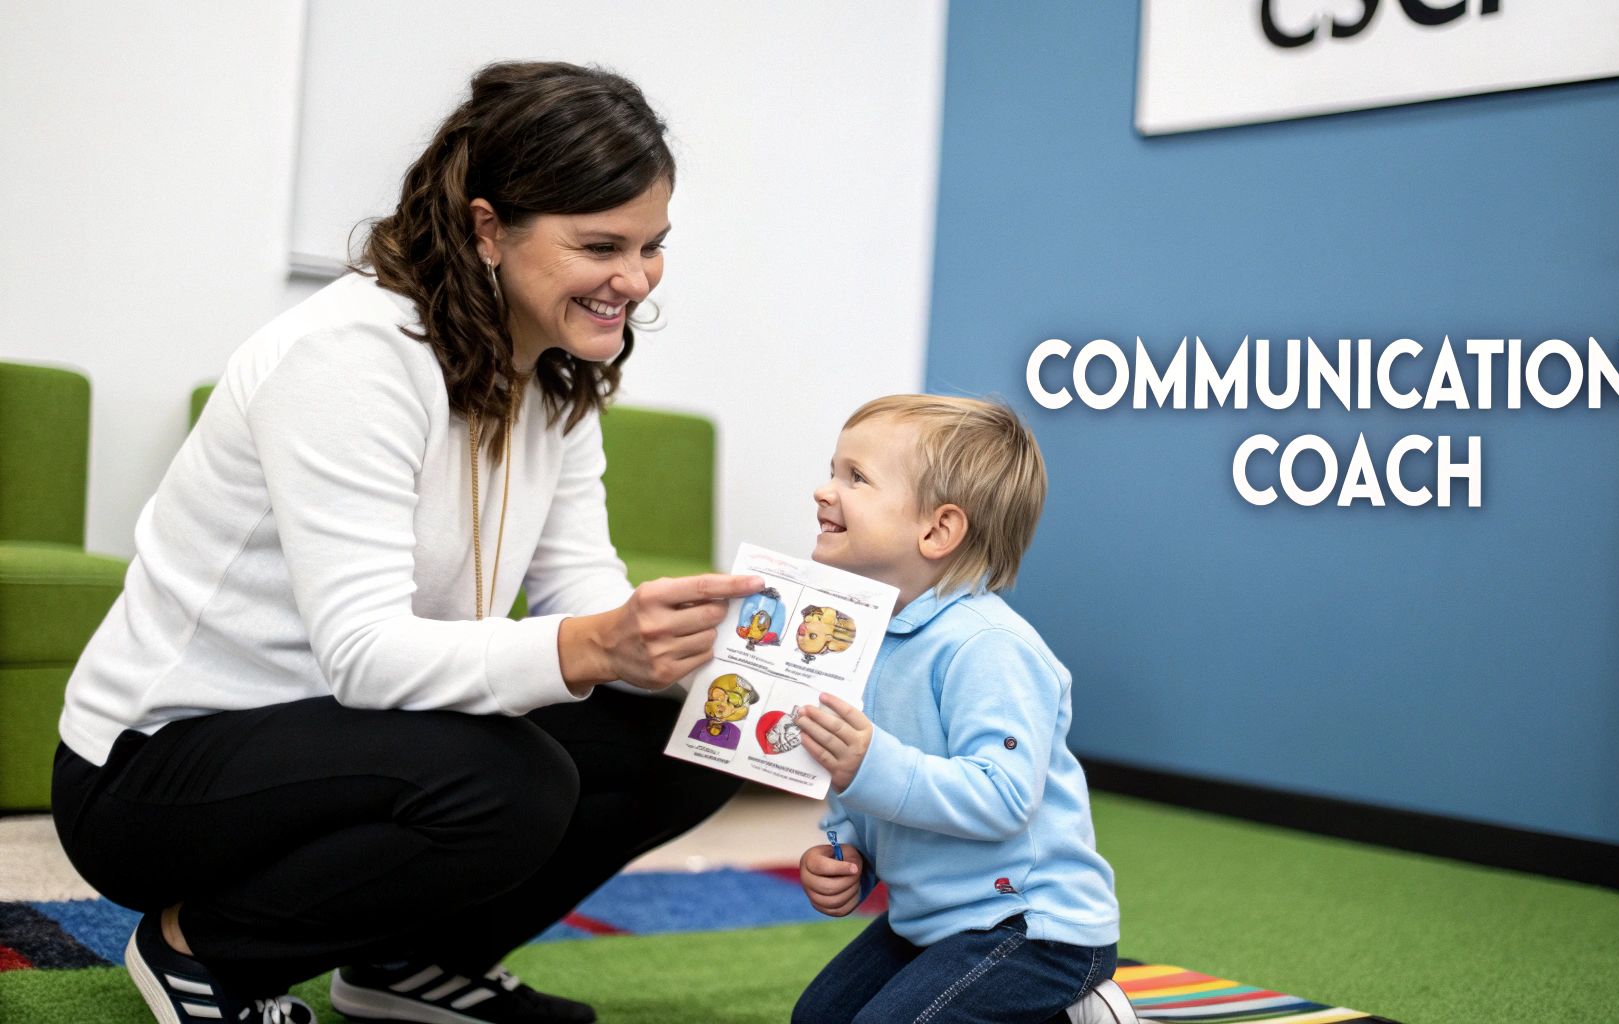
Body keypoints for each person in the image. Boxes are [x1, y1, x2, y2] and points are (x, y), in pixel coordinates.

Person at [50, 62, 761, 1024]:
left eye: (652, 247)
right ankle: (200, 951)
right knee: (511, 780)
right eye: (602, 246)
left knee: (695, 736)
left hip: (352, 736)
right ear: (485, 228)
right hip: (155, 771)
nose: (635, 280)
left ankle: (409, 963)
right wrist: (597, 645)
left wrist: (717, 664)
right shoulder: (349, 357)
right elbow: (366, 653)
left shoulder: (552, 370)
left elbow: (575, 588)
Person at [790, 395, 1137, 1024]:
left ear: (938, 530)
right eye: (832, 470)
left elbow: (1003, 796)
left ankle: (1072, 1012)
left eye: (855, 477)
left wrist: (869, 763)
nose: (824, 490)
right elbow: (861, 780)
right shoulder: (864, 636)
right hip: (932, 918)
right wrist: (848, 856)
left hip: (1033, 928)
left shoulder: (988, 646)